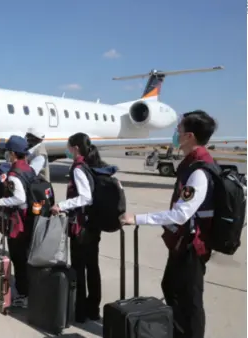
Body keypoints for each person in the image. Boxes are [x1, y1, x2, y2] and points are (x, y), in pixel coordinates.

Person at [121, 110, 218, 338]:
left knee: (190, 300)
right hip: (182, 243)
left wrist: (138, 219)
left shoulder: (199, 172)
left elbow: (180, 215)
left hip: (192, 246)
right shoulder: (191, 165)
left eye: (179, 130)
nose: (176, 134)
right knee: (172, 289)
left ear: (189, 136)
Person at [51, 132, 109, 323]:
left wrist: (61, 205)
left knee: (79, 268)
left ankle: (81, 311)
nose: (67, 151)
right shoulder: (91, 164)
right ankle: (93, 308)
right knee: (93, 267)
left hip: (82, 228)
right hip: (92, 225)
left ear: (75, 148)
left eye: (68, 147)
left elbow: (86, 197)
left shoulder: (78, 168)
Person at [0, 135, 36, 309]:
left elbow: (19, 198)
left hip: (18, 223)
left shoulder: (14, 174)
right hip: (30, 219)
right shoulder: (29, 169)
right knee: (25, 257)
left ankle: (23, 295)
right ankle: (29, 290)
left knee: (18, 259)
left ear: (12, 154)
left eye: (7, 152)